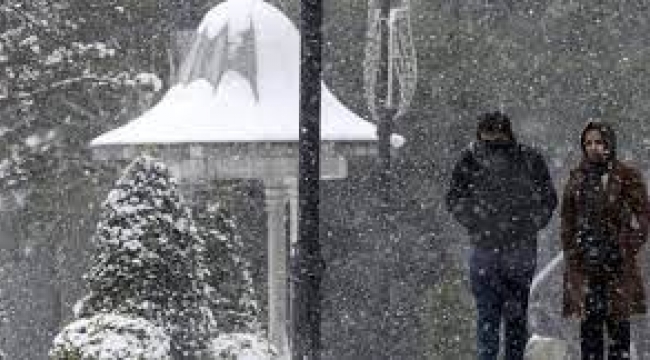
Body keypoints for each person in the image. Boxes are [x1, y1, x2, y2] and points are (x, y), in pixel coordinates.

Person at [446, 111, 558, 360]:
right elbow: (454, 198)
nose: (493, 141)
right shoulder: (479, 159)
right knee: (502, 318)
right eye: (489, 135)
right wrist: (478, 221)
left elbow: (548, 199)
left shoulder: (478, 158)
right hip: (499, 248)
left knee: (496, 319)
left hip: (505, 249)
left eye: (496, 134)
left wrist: (479, 221)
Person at [560, 121, 648, 360]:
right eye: (588, 143)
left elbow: (643, 218)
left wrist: (625, 244)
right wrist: (574, 252)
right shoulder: (576, 179)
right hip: (586, 268)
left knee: (619, 336)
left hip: (617, 268)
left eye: (598, 142)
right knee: (590, 338)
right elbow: (567, 224)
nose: (593, 147)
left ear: (609, 144)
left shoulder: (626, 176)